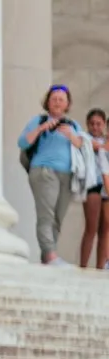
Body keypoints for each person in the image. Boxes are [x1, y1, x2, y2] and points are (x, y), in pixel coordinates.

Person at [18, 85, 86, 265]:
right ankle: (50, 255)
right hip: (44, 171)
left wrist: (71, 136)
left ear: (67, 104)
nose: (57, 102)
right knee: (46, 215)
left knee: (57, 218)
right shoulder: (38, 120)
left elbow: (82, 145)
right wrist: (41, 128)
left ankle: (48, 257)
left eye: (61, 99)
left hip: (67, 175)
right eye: (54, 99)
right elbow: (23, 142)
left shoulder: (73, 125)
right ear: (47, 102)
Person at [81, 109, 109, 269]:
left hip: (106, 186)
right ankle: (83, 266)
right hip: (92, 185)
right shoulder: (84, 138)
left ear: (104, 124)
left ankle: (100, 267)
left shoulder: (106, 140)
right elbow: (91, 145)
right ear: (87, 124)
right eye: (92, 123)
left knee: (104, 230)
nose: (95, 127)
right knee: (91, 227)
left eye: (99, 124)